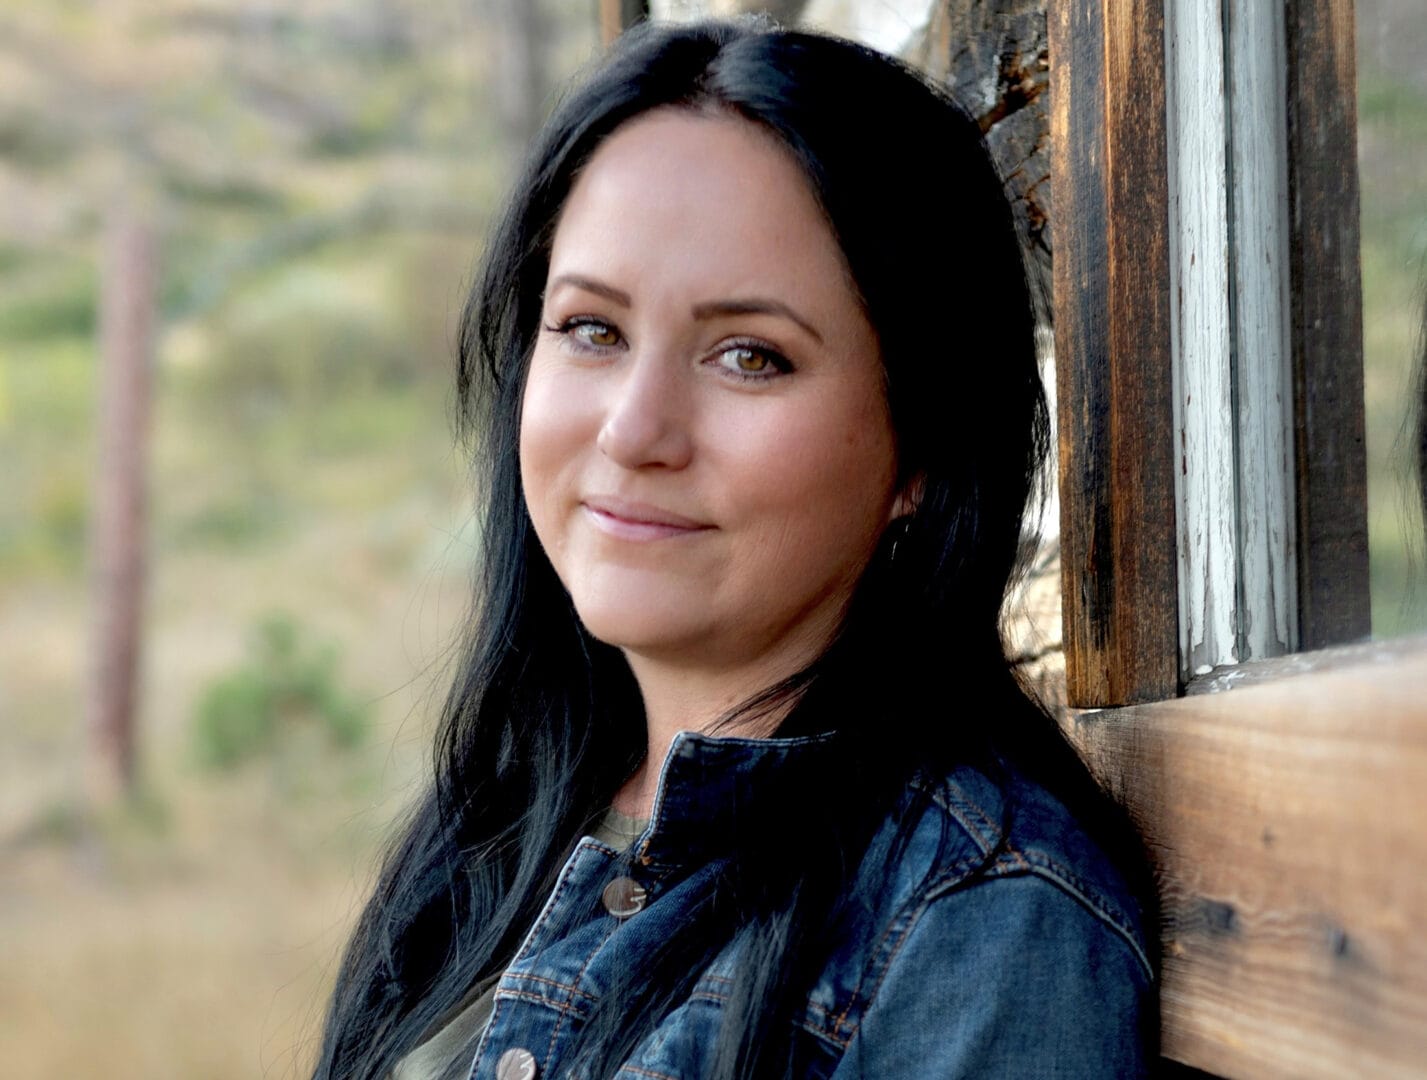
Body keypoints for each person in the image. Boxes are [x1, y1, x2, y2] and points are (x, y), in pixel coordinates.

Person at [312, 18, 1157, 1080]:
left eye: (750, 357)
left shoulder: (979, 920)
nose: (632, 430)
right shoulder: (499, 820)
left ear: (921, 453)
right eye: (590, 329)